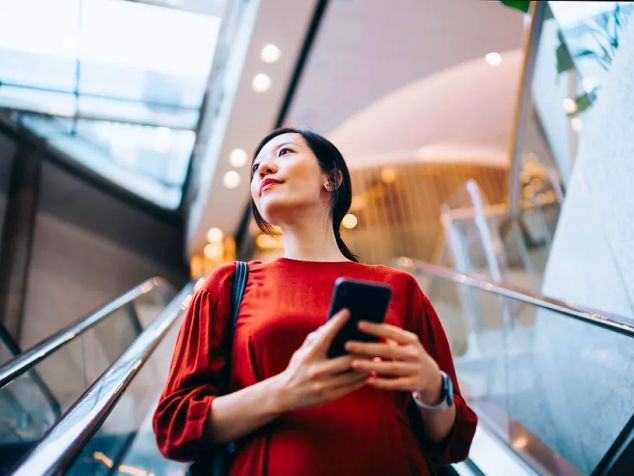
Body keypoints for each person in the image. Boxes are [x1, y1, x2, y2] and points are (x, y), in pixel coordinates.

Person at [153, 127, 478, 475]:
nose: (262, 169)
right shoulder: (227, 285)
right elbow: (175, 425)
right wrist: (285, 390)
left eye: (285, 152)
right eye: (256, 167)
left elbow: (453, 442)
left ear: (332, 178)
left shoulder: (399, 287)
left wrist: (432, 387)